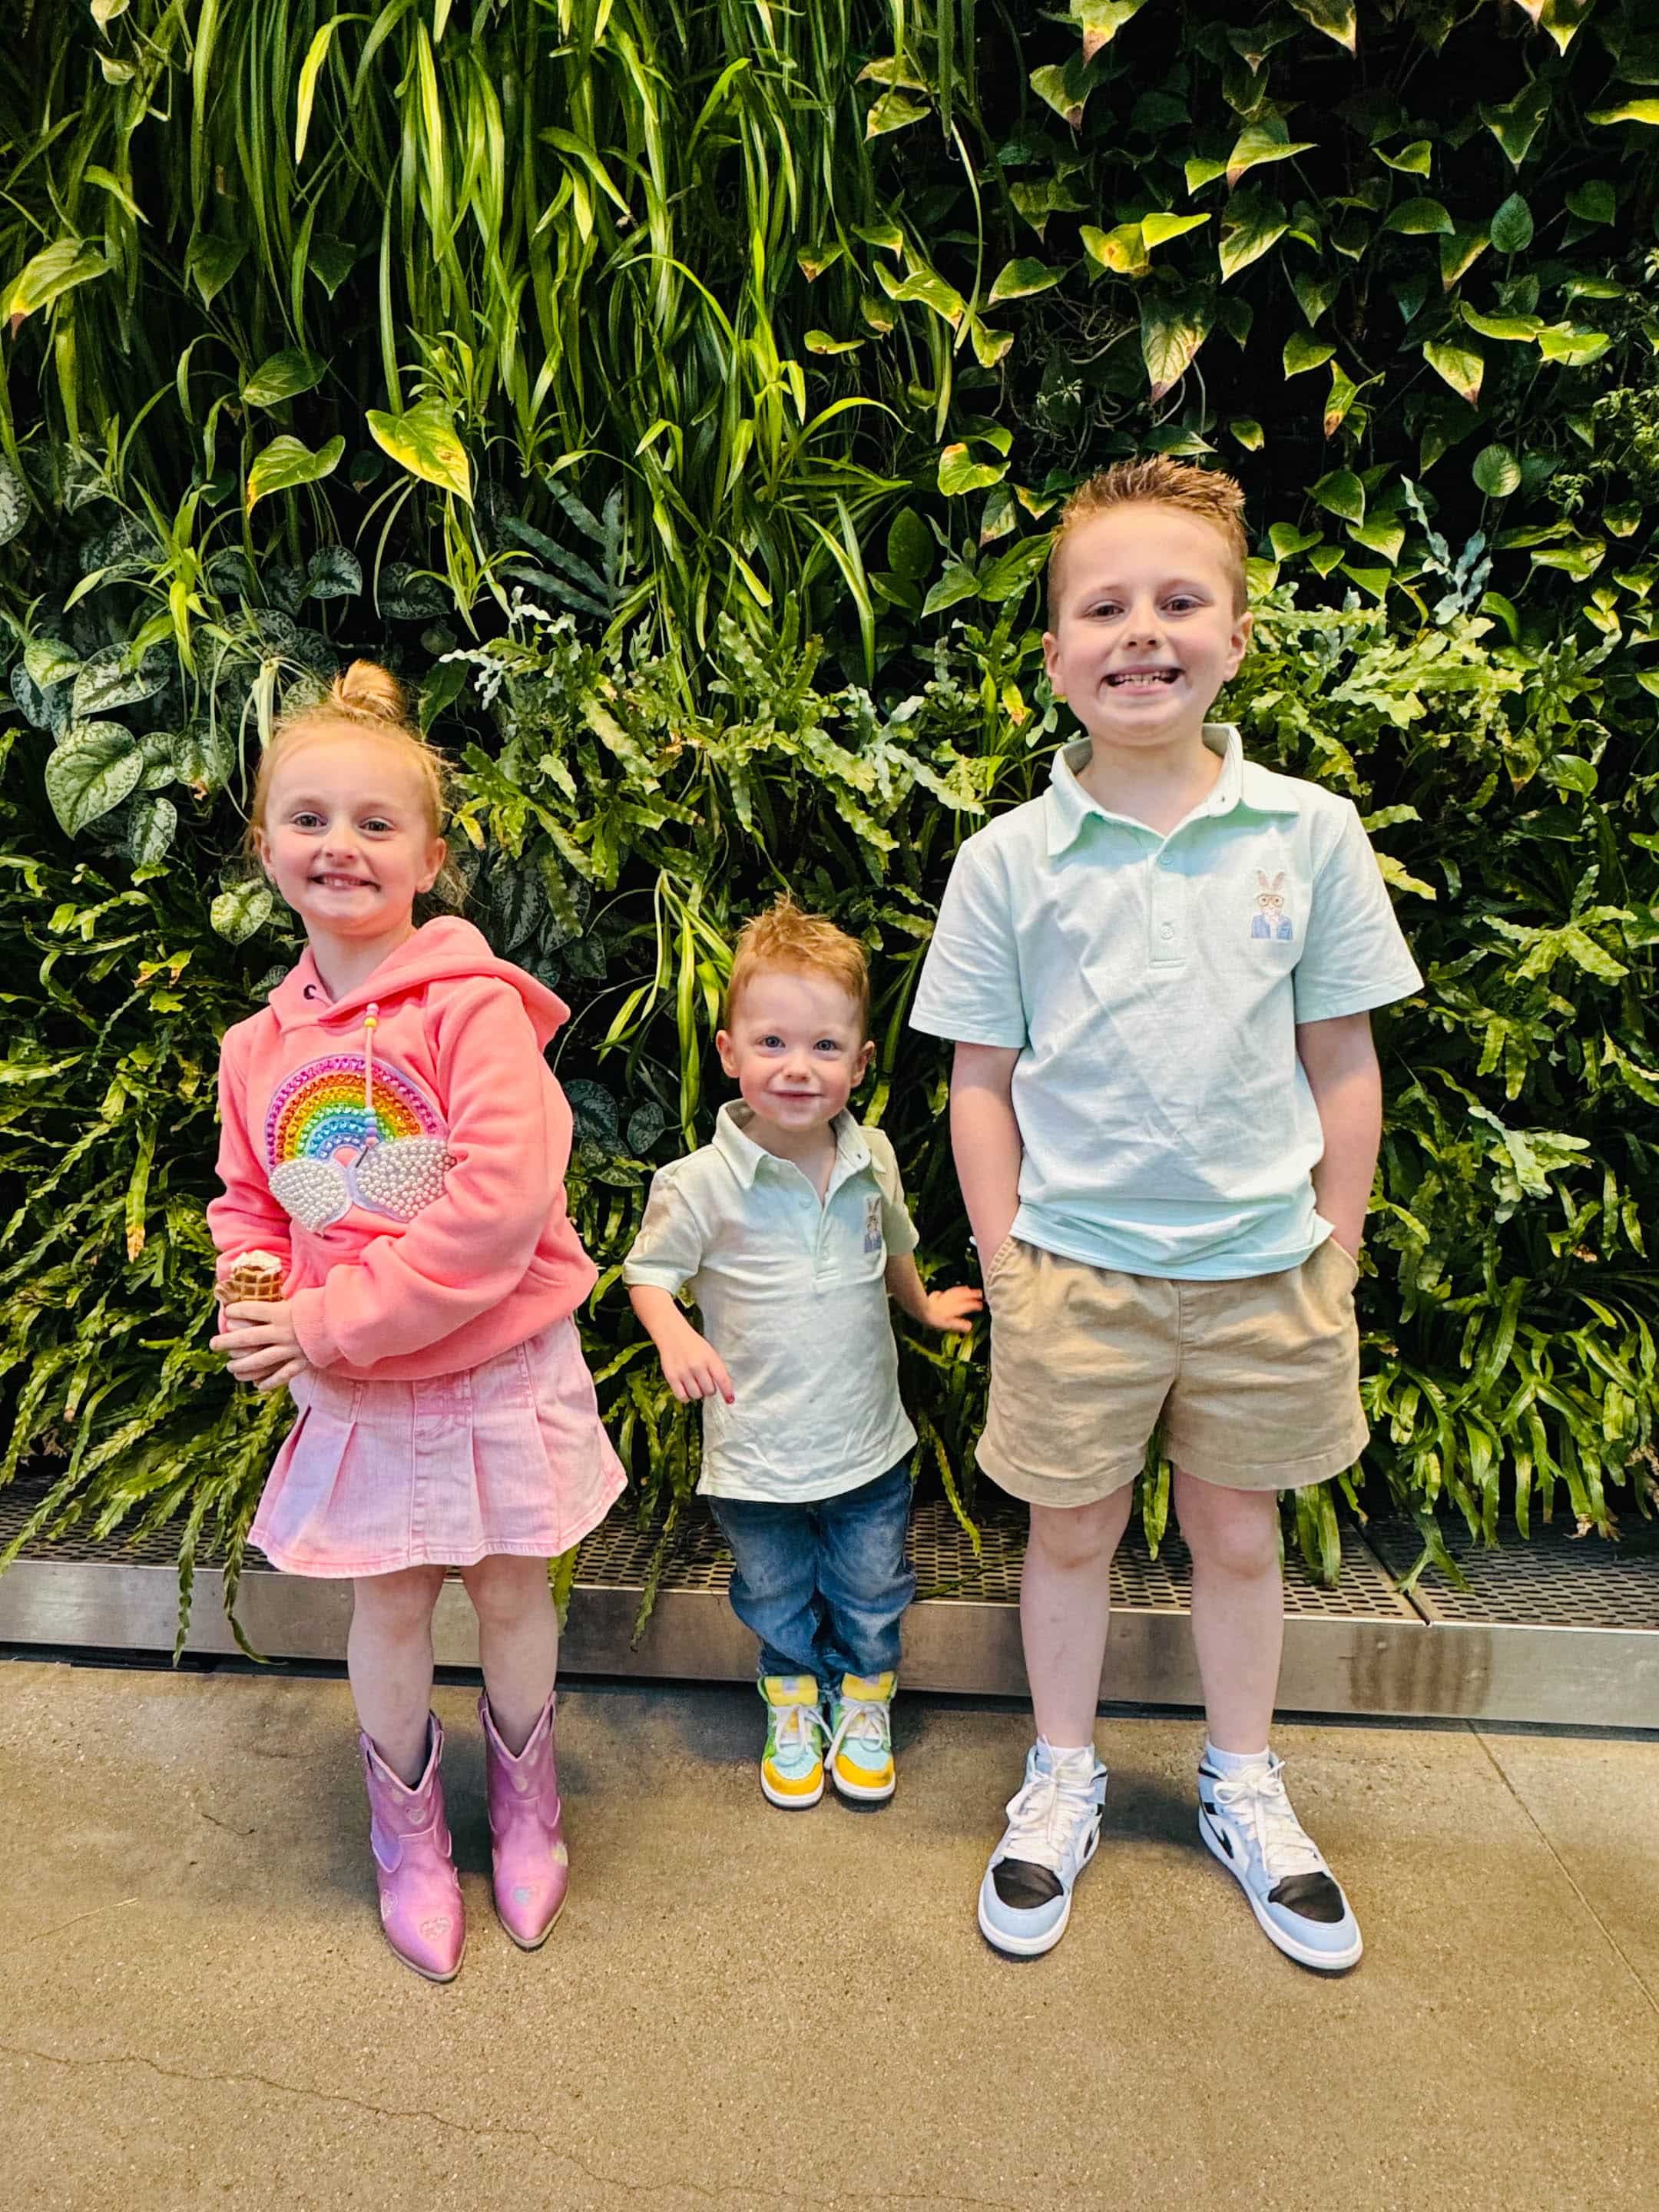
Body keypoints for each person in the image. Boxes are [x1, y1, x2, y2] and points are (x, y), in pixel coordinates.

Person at [911, 457, 1422, 1971]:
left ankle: (1241, 1780)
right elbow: (980, 1083)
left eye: (1180, 600)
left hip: (1267, 1272)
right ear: (1055, 654)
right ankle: (1061, 1774)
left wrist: (1336, 1250)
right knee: (1070, 1530)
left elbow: (1344, 1060)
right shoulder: (1007, 861)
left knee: (1238, 1533)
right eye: (1105, 606)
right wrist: (1007, 1262)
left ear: (1237, 637)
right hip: (1075, 1270)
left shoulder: (1308, 834)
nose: (1142, 630)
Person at [207, 661, 624, 1983]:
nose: (341, 844)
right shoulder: (254, 1049)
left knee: (511, 1590)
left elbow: (498, 1209)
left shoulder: (474, 1010)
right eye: (309, 818)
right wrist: (257, 1309)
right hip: (360, 1386)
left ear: (430, 860)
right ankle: (410, 1842)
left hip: (496, 1368)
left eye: (376, 823)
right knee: (385, 1609)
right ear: (266, 845)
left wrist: (326, 1321)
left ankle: (528, 1811)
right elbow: (247, 1205)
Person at [623, 899, 982, 1810]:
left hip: (867, 1444)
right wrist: (674, 1334)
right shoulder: (697, 1184)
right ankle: (791, 1696)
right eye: (773, 1042)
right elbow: (648, 1275)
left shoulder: (874, 1158)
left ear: (860, 1064)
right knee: (774, 1592)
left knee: (873, 1587)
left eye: (825, 1047)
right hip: (755, 1453)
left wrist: (922, 1303)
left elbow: (892, 1243)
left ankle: (864, 1696)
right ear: (730, 1050)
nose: (797, 1066)